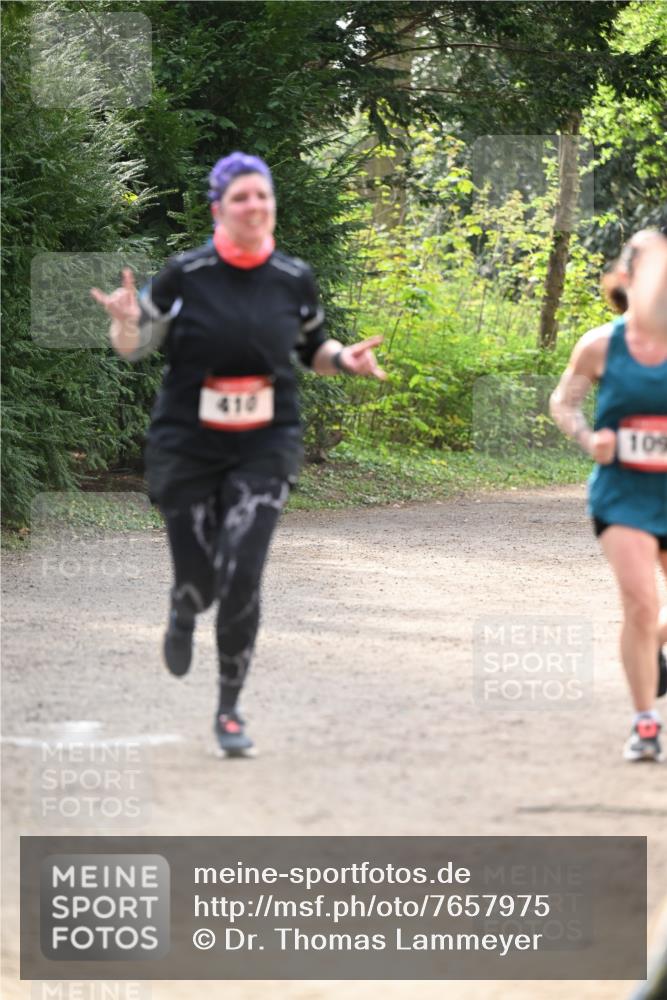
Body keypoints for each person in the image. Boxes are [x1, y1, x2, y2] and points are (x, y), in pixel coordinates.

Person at [91, 151, 385, 756]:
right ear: (218, 208)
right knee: (201, 579)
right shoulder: (185, 272)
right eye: (242, 197)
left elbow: (312, 346)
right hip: (187, 443)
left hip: (266, 441)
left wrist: (343, 359)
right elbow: (133, 344)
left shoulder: (293, 277)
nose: (255, 205)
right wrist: (124, 322)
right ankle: (184, 604)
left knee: (244, 572)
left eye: (263, 196)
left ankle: (229, 708)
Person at [550, 229, 667, 762]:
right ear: (627, 279)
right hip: (623, 492)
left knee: (654, 621)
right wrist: (585, 436)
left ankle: (657, 644)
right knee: (641, 604)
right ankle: (646, 721)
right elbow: (564, 403)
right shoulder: (601, 344)